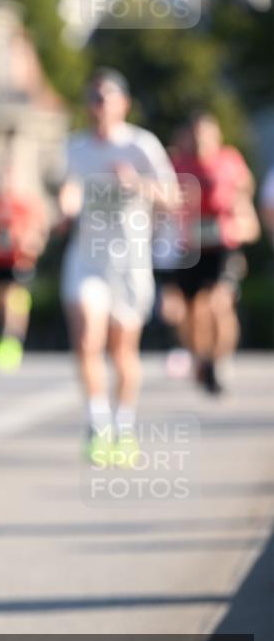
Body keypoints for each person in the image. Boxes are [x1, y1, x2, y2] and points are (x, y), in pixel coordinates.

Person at [58, 68, 178, 466]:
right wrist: (67, 205)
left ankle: (123, 430)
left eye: (106, 97)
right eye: (93, 97)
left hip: (129, 262)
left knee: (122, 350)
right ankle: (98, 425)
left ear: (123, 103)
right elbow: (70, 188)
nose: (99, 105)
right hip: (86, 260)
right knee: (87, 340)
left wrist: (139, 185)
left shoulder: (141, 146)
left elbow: (173, 198)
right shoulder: (76, 147)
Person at [170, 112, 259, 394]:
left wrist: (242, 221)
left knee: (220, 304)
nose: (200, 140)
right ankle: (202, 357)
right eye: (195, 133)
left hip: (223, 246)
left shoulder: (229, 161)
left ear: (216, 135)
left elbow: (244, 198)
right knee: (191, 311)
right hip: (190, 248)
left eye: (206, 133)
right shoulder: (178, 164)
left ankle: (220, 360)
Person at [0, 159, 49, 372]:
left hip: (20, 259)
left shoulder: (25, 203)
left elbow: (38, 229)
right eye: (1, 178)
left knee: (12, 298)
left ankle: (12, 338)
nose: (5, 182)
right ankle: (8, 330)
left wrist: (30, 244)